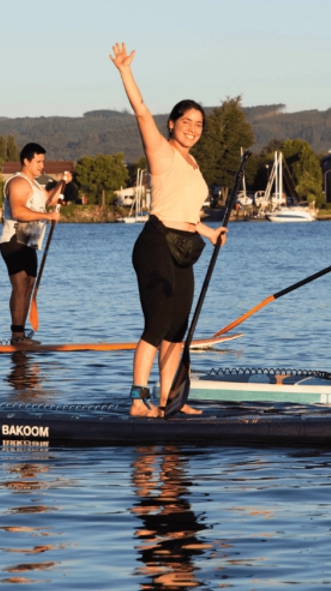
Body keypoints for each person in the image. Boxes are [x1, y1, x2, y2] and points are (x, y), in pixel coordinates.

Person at [111, 42, 229, 417]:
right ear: (172, 124)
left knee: (178, 328)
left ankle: (168, 400)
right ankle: (137, 400)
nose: (193, 129)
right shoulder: (161, 151)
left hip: (185, 246)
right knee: (157, 323)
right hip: (156, 243)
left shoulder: (194, 164)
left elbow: (187, 213)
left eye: (199, 124)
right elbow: (141, 111)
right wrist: (125, 71)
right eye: (186, 122)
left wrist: (210, 233)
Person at [0, 143, 70, 347]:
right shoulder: (18, 183)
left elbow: (50, 200)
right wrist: (47, 216)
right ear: (26, 161)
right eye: (38, 161)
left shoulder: (35, 185)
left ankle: (20, 335)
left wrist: (62, 183)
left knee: (28, 285)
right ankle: (17, 335)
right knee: (20, 286)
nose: (42, 166)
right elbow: (18, 211)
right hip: (14, 241)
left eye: (43, 161)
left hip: (28, 242)